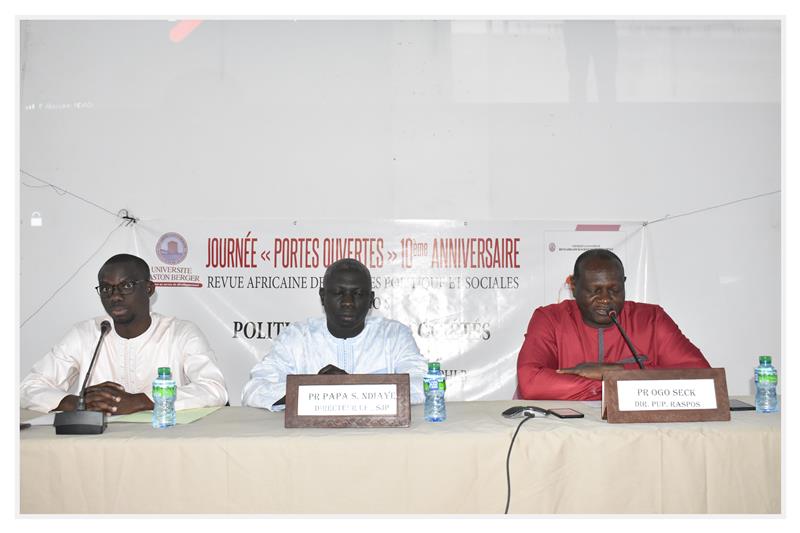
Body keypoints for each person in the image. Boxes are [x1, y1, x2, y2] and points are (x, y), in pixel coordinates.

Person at [20, 253, 228, 414]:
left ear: (149, 289)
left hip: (164, 439)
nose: (115, 296)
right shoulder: (85, 334)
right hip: (96, 445)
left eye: (126, 286)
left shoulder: (180, 333)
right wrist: (78, 403)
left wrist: (141, 401)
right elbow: (29, 388)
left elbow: (214, 389)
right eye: (106, 289)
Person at [516, 248, 710, 400]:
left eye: (614, 290)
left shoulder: (652, 319)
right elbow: (531, 383)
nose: (605, 299)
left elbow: (701, 376)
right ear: (574, 286)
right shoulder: (550, 319)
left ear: (624, 283)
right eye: (595, 291)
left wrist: (618, 372)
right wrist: (616, 385)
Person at [242, 258, 427, 410]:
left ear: (370, 300)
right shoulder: (297, 337)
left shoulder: (394, 335)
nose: (348, 302)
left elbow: (424, 385)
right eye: (339, 293)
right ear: (323, 296)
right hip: (309, 440)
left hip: (377, 438)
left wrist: (353, 387)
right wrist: (313, 390)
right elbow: (254, 389)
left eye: (357, 294)